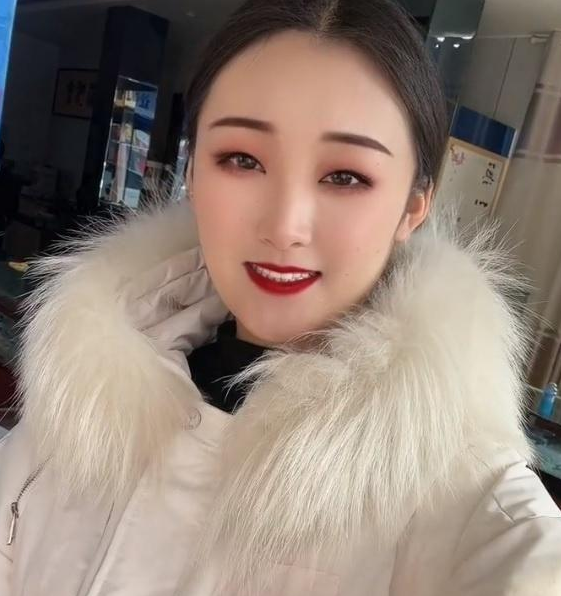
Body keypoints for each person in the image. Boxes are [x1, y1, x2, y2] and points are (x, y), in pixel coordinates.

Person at [0, 0, 560, 594]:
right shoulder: (86, 385)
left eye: (345, 176)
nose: (285, 226)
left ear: (413, 207)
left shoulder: (466, 502)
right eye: (241, 159)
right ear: (192, 174)